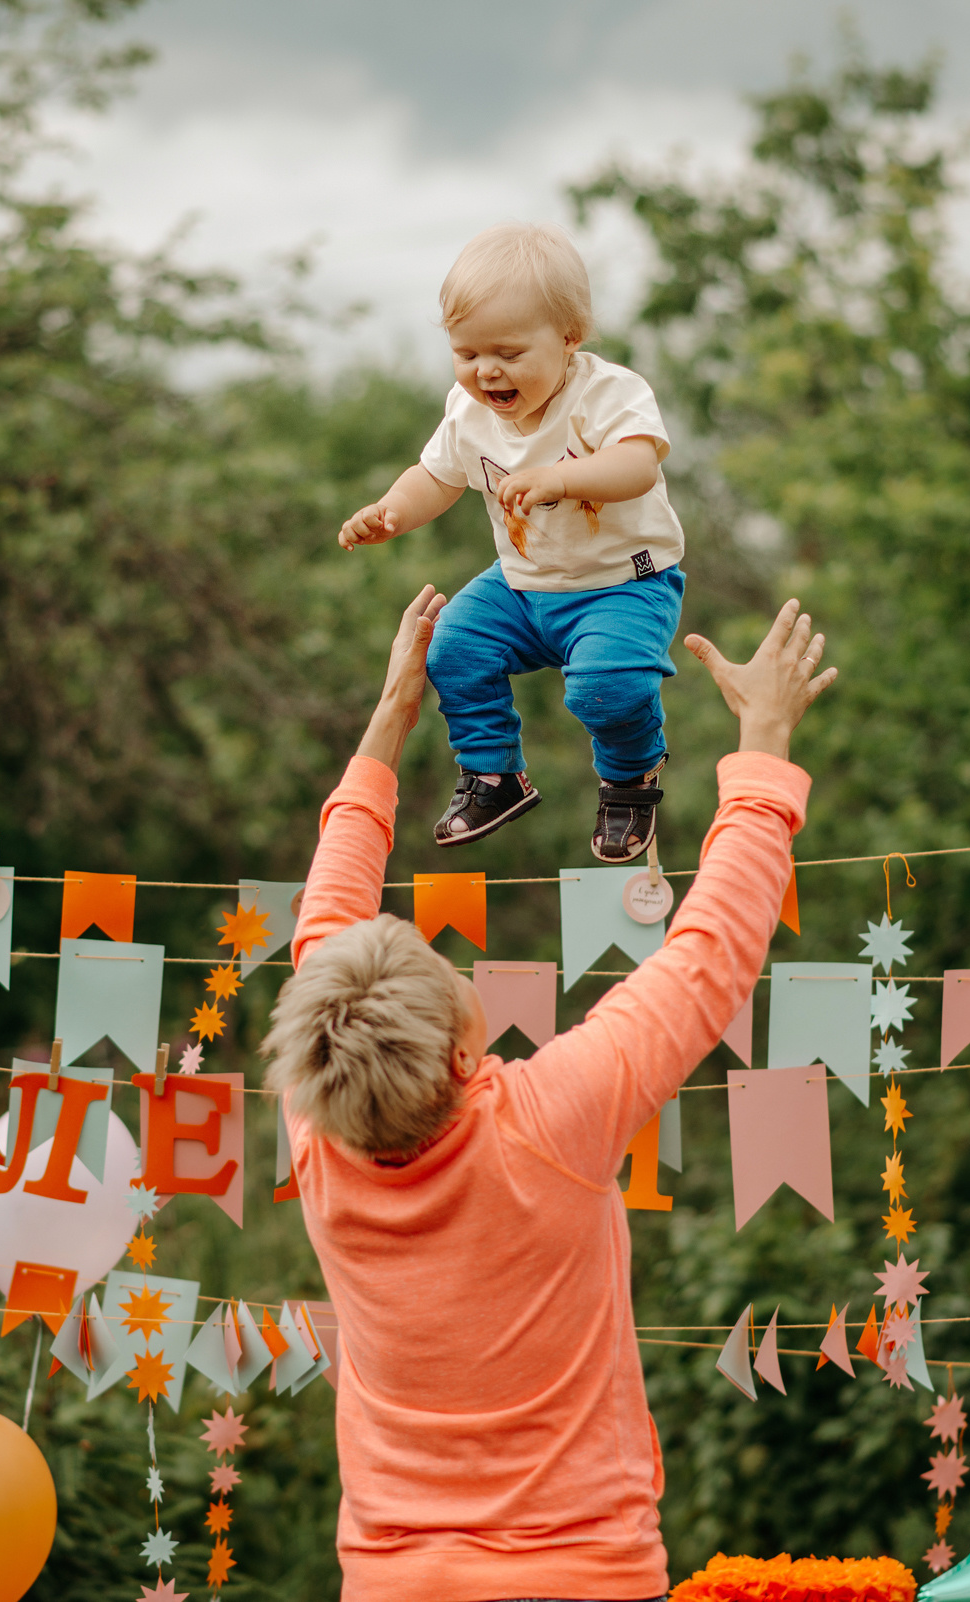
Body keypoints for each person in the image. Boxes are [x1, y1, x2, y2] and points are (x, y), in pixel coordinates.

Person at [263, 584, 833, 1602]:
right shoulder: (547, 1120)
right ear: (460, 1057)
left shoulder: (319, 1130)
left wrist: (392, 715)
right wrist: (762, 746)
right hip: (583, 1577)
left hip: (393, 1584)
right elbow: (706, 959)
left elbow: (326, 925)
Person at [337, 221, 690, 865]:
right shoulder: (468, 410)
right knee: (453, 645)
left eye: (508, 352)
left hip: (622, 584)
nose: (486, 371)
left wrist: (561, 478)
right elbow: (435, 476)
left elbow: (638, 465)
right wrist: (391, 512)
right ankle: (493, 774)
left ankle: (629, 778)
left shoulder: (605, 393)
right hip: (524, 585)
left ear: (569, 337)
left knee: (606, 686)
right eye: (467, 353)